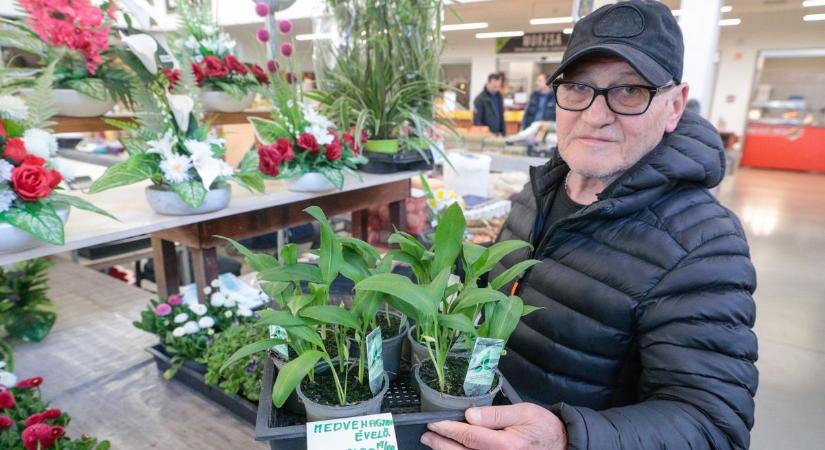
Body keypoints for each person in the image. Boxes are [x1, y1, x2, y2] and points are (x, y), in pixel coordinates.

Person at [421, 1, 757, 449]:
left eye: (630, 91)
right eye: (579, 87)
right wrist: (432, 260)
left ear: (674, 105)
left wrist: (566, 438)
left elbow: (714, 425)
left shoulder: (705, 243)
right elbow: (502, 286)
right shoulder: (543, 187)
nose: (596, 114)